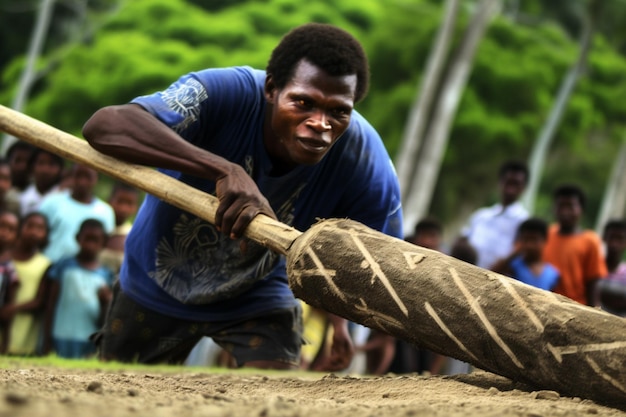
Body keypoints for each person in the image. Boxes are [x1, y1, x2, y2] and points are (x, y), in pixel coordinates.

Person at [81, 23, 403, 368]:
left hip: (258, 293)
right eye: (303, 102)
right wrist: (223, 169)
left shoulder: (366, 161)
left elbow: (372, 255)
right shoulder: (223, 91)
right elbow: (105, 127)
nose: (320, 123)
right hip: (155, 281)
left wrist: (341, 323)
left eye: (338, 111)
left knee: (276, 398)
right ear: (271, 89)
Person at [43, 219, 114, 359]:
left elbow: (106, 316)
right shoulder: (64, 266)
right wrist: (46, 339)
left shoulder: (106, 274)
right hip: (60, 335)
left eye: (95, 240)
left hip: (88, 339)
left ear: (103, 243)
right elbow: (50, 304)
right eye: (87, 239)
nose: (90, 244)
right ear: (78, 238)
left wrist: (106, 300)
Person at [458, 160, 530, 270]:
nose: (511, 189)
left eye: (516, 184)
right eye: (508, 182)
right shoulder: (481, 215)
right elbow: (462, 240)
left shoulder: (524, 221)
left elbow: (520, 254)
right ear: (500, 182)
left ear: (523, 188)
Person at [543, 184, 607, 305]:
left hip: (575, 307)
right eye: (561, 206)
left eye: (570, 206)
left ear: (580, 209)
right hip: (544, 302)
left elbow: (593, 281)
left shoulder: (590, 240)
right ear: (554, 208)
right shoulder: (546, 234)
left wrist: (593, 312)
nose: (565, 211)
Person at [38, 164, 115, 262]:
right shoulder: (52, 201)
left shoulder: (105, 212)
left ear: (97, 179)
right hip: (47, 263)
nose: (82, 181)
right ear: (71, 176)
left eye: (88, 177)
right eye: (78, 175)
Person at [6, 212, 51, 356]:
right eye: (29, 226)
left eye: (40, 228)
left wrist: (12, 308)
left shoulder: (45, 264)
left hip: (25, 329)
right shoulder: (5, 260)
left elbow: (41, 300)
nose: (34, 232)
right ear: (20, 228)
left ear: (46, 233)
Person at [491, 217, 560, 292]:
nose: (529, 245)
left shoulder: (552, 273)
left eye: (534, 240)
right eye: (526, 240)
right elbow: (491, 274)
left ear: (544, 240)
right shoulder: (514, 266)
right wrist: (515, 253)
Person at [98, 181, 140, 277]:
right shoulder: (97, 227)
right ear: (109, 200)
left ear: (136, 207)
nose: (123, 208)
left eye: (129, 203)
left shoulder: (132, 234)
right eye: (120, 201)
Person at [19, 148, 65, 217]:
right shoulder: (23, 198)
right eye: (41, 163)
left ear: (60, 169)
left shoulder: (64, 198)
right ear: (32, 167)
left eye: (51, 164)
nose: (45, 169)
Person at [595, 219, 626, 316]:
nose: (614, 244)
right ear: (604, 238)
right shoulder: (594, 267)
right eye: (612, 238)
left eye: (619, 239)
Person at [0, 210, 20, 353]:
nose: (4, 232)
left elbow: (9, 306)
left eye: (11, 230)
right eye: (2, 226)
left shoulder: (9, 269)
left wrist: (5, 345)